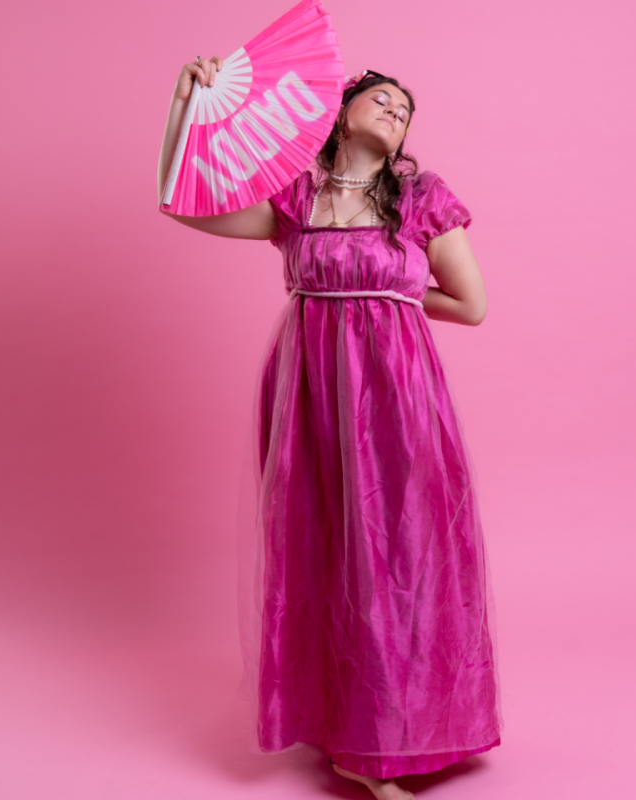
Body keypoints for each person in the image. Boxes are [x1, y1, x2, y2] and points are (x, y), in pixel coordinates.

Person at [158, 56, 504, 800]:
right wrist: (183, 103)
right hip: (311, 389)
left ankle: (386, 740)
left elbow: (470, 304)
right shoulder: (294, 202)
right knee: (324, 546)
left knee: (401, 554)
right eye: (382, 100)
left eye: (406, 110)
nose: (397, 112)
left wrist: (393, 294)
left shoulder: (420, 199)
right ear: (341, 113)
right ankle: (343, 730)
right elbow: (179, 203)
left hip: (397, 395)